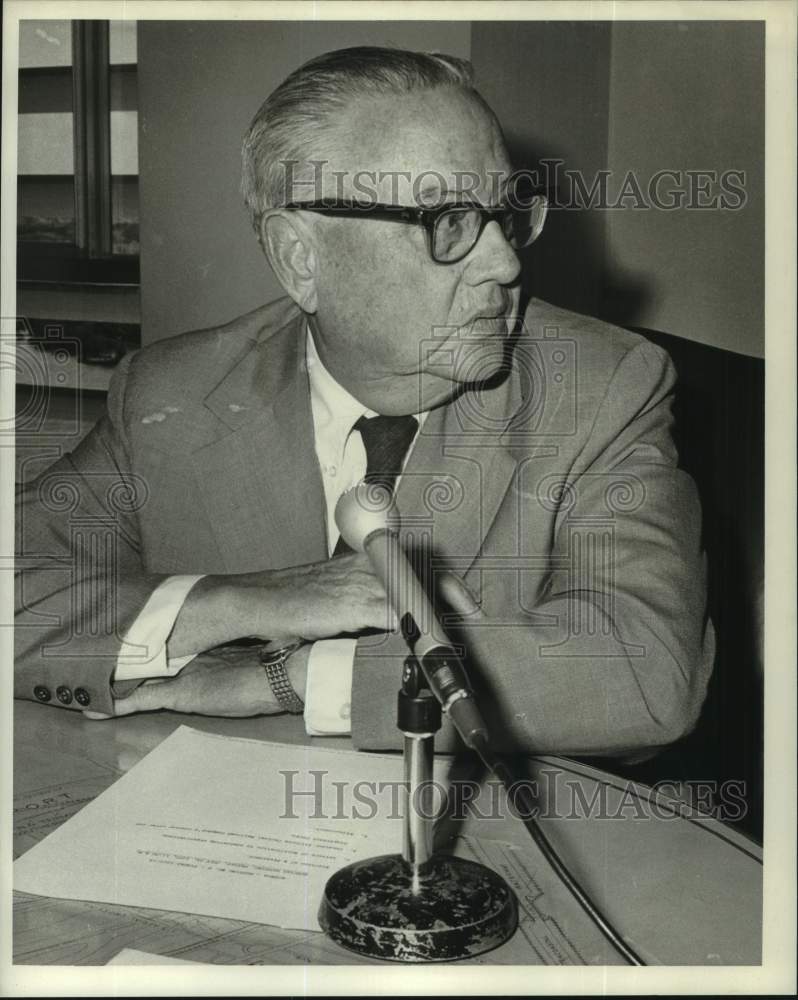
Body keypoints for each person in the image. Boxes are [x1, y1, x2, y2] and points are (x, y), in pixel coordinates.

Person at [14, 46, 714, 755]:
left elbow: (645, 661)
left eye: (505, 214)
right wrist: (252, 600)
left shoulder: (602, 387)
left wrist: (299, 679)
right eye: (447, 220)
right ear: (300, 258)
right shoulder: (173, 393)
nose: (505, 262)